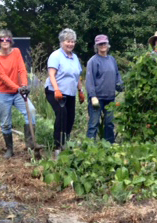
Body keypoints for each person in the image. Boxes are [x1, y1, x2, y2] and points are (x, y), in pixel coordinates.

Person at [0, 29, 35, 159]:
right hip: (2, 93)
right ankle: (9, 149)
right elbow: (3, 76)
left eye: (7, 39)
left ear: (11, 41)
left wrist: (24, 85)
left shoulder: (16, 52)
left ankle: (31, 145)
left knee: (31, 111)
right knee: (5, 122)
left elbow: (22, 69)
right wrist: (17, 87)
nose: (5, 41)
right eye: (2, 39)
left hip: (18, 92)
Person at [45, 28, 84, 156]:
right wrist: (56, 89)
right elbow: (51, 74)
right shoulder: (56, 56)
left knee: (71, 117)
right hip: (55, 91)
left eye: (72, 41)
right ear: (62, 42)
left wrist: (80, 91)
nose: (70, 44)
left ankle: (65, 143)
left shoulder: (75, 57)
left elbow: (77, 75)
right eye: (68, 41)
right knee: (62, 115)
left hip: (70, 92)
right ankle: (57, 146)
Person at [85, 34, 124, 143]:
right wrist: (92, 96)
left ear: (108, 44)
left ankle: (109, 146)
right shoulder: (93, 61)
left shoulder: (112, 60)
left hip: (110, 98)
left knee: (109, 123)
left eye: (104, 43)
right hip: (97, 98)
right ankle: (89, 147)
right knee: (94, 124)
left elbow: (117, 76)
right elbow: (90, 80)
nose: (103, 46)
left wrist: (122, 86)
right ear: (96, 46)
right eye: (100, 44)